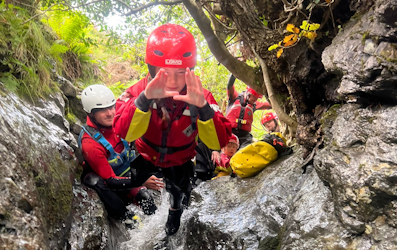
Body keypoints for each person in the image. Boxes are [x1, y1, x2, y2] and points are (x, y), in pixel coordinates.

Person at [113, 24, 232, 235]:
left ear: (190, 71)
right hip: (146, 156)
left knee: (178, 195)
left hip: (180, 160)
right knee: (129, 185)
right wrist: (144, 100)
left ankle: (174, 211)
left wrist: (203, 108)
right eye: (165, 72)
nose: (174, 81)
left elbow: (218, 142)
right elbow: (124, 132)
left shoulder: (199, 94)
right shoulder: (138, 91)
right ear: (152, 69)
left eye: (180, 73)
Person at [79, 84, 165, 228]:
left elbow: (139, 93)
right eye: (102, 110)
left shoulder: (119, 115)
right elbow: (111, 181)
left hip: (125, 172)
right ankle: (127, 218)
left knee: (146, 199)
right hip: (108, 182)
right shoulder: (90, 144)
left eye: (111, 107)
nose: (110, 113)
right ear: (90, 114)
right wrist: (141, 181)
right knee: (94, 181)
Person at [225, 74, 272, 148]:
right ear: (248, 94)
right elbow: (229, 84)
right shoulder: (234, 97)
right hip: (229, 133)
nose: (255, 100)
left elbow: (271, 105)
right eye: (254, 97)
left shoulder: (255, 104)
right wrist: (235, 70)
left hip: (244, 136)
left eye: (257, 98)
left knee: (247, 151)